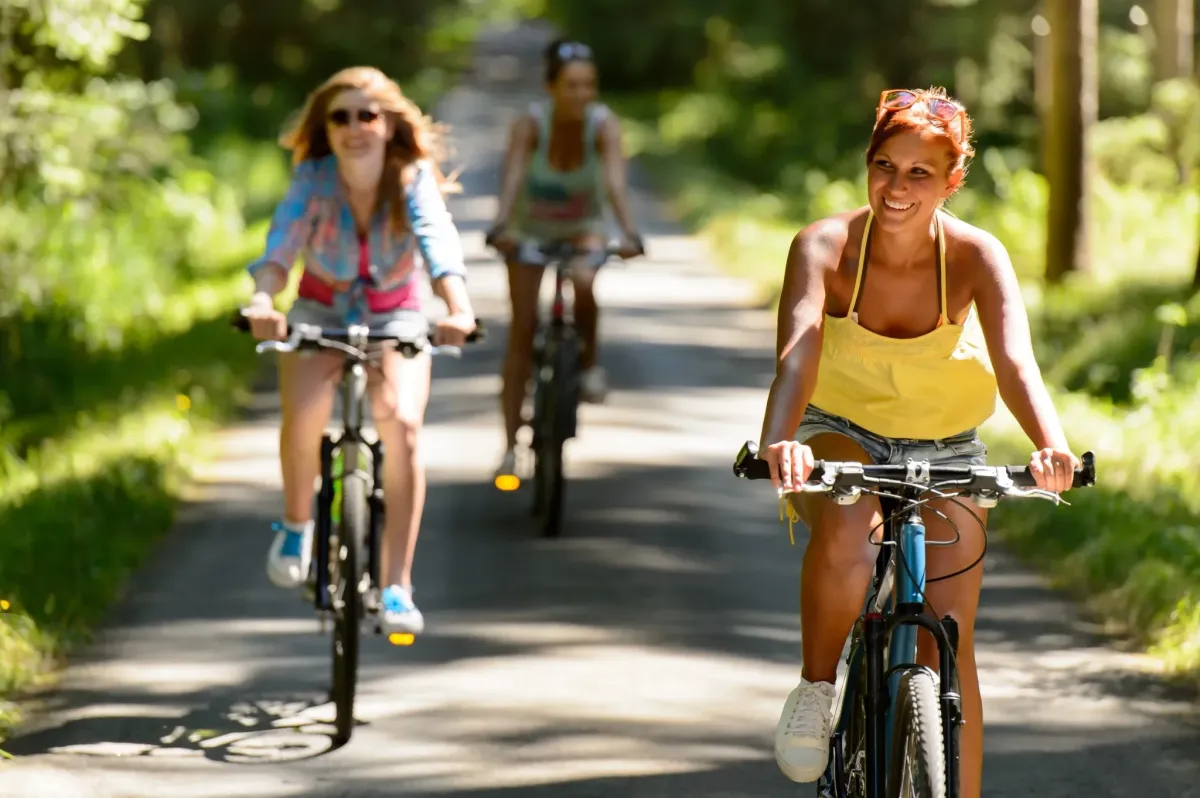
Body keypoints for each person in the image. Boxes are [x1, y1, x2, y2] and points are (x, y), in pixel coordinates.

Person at [756, 88, 1081, 798]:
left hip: (947, 448)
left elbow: (1016, 362)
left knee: (950, 645)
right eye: (884, 166)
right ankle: (817, 687)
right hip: (839, 433)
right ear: (867, 164)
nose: (896, 188)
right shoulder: (824, 245)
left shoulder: (974, 255)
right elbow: (798, 353)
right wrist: (779, 442)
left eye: (919, 174)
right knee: (847, 526)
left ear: (952, 180)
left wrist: (1052, 447)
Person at [241, 66, 477, 636]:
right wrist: (261, 299)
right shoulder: (313, 178)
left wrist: (458, 309)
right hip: (320, 309)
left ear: (389, 124)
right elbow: (283, 242)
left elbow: (437, 242)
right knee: (305, 413)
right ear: (326, 126)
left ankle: (397, 585)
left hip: (396, 312)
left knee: (401, 425)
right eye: (340, 116)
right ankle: (298, 524)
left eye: (366, 115)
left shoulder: (411, 177)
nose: (354, 127)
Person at [485, 38, 645, 482]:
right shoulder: (530, 124)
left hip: (582, 227)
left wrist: (629, 232)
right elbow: (513, 177)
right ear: (551, 86)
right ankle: (508, 447)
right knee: (521, 332)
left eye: (588, 85)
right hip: (528, 229)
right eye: (571, 85)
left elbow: (614, 182)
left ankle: (589, 365)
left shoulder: (602, 125)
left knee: (585, 280)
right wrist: (500, 226)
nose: (581, 94)